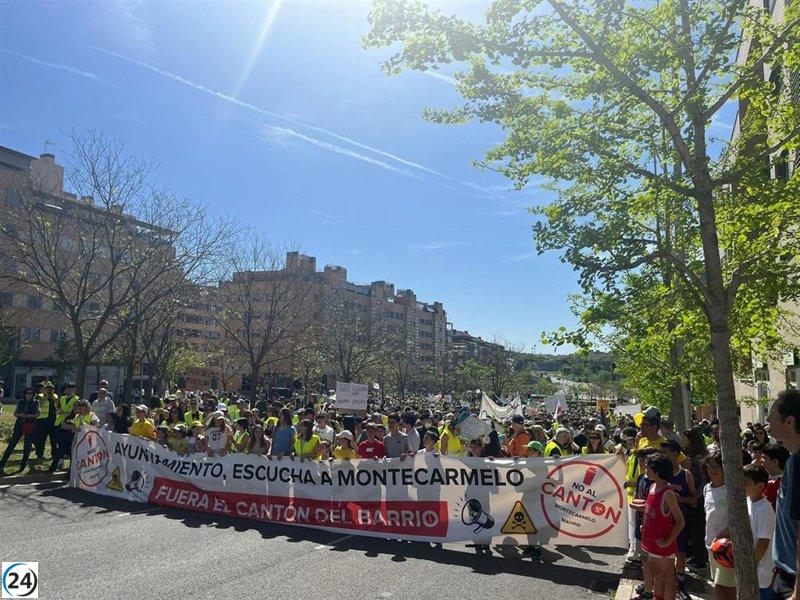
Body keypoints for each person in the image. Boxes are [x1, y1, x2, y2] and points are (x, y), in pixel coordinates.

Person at [633, 453, 685, 600]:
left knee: (668, 577)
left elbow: (680, 521)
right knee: (657, 574)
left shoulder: (668, 494)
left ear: (657, 471)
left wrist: (667, 541)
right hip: (651, 542)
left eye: (648, 467)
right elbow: (651, 509)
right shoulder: (653, 486)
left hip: (663, 545)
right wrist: (645, 525)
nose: (644, 469)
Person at [766, 390, 800, 600]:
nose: (768, 419)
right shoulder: (792, 461)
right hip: (785, 574)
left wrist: (797, 592)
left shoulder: (798, 464)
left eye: (772, 414)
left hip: (792, 581)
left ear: (789, 421)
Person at [661, 439, 696, 598]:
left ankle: (680, 583)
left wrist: (676, 499)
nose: (663, 455)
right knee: (662, 551)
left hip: (680, 521)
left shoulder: (686, 474)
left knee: (679, 552)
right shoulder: (661, 474)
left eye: (666, 452)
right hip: (663, 520)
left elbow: (694, 499)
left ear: (675, 453)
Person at [702, 450, 735, 600]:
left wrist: (722, 538)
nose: (713, 470)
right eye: (710, 466)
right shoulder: (707, 488)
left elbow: (737, 521)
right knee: (718, 586)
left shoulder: (731, 490)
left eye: (718, 467)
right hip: (711, 545)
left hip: (726, 548)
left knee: (726, 588)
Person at [743, 464, 776, 600]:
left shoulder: (764, 509)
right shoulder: (747, 501)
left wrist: (750, 567)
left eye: (747, 483)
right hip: (752, 567)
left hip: (761, 570)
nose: (742, 485)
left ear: (761, 486)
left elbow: (763, 542)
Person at [0, 386, 40, 475]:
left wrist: (30, 416)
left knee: (27, 446)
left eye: (31, 393)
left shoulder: (36, 402)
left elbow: (38, 413)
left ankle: (23, 465)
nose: (29, 395)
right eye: (27, 393)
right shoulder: (21, 402)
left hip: (30, 425)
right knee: (11, 445)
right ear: (24, 394)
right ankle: (2, 464)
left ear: (33, 395)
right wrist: (21, 414)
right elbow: (15, 413)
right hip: (19, 425)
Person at [762, 443, 790, 510]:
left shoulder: (775, 484)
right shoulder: (788, 479)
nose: (761, 460)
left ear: (775, 462)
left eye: (764, 458)